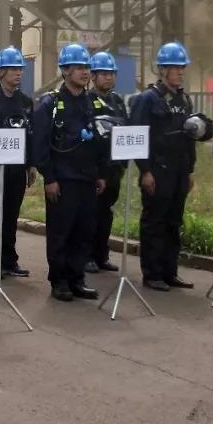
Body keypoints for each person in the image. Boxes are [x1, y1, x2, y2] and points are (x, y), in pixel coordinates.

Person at [32, 44, 107, 302]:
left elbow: (100, 140)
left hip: (87, 178)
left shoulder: (93, 103)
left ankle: (77, 279)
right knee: (60, 233)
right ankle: (60, 281)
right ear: (65, 71)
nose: (85, 72)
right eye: (78, 67)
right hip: (62, 180)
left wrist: (100, 173)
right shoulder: (50, 104)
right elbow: (40, 145)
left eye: (87, 67)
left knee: (84, 231)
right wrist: (49, 178)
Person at [129, 42, 197, 292]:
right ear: (163, 69)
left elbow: (189, 139)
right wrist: (145, 171)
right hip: (157, 171)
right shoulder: (147, 99)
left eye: (182, 67)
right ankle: (152, 273)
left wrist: (189, 171)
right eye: (176, 68)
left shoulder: (184, 100)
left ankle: (170, 272)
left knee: (173, 222)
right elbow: (138, 137)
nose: (180, 72)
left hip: (179, 172)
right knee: (155, 222)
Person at [0, 46, 36, 280]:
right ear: (1, 72)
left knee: (11, 216)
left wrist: (31, 165)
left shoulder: (25, 102)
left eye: (20, 69)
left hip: (16, 169)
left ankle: (9, 261)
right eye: (13, 69)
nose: (18, 73)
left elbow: (30, 135)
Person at [86, 51, 129, 273]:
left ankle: (102, 255)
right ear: (93, 76)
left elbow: (126, 128)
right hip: (95, 167)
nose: (109, 77)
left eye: (112, 73)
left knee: (106, 212)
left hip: (114, 166)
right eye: (104, 73)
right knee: (91, 213)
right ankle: (87, 256)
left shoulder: (117, 101)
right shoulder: (87, 101)